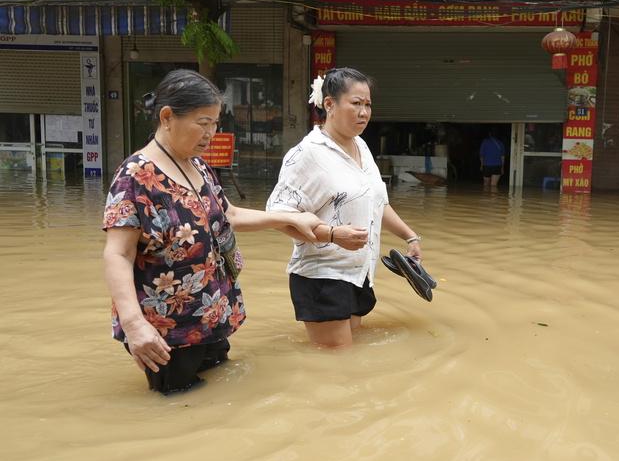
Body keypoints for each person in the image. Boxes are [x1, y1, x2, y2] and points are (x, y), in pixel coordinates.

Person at [102, 69, 333, 394]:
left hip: (211, 314)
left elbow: (229, 214)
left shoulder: (197, 165)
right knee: (176, 404)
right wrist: (134, 323)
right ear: (167, 117)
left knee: (217, 394)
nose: (211, 133)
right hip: (168, 331)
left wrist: (289, 220)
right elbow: (118, 253)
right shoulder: (134, 177)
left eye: (215, 123)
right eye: (202, 122)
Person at [266, 67, 424, 349]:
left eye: (368, 104)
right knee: (336, 367)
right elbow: (277, 216)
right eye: (356, 103)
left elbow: (377, 203)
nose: (364, 112)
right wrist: (332, 235)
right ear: (329, 104)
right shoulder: (306, 155)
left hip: (358, 273)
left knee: (348, 363)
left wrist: (410, 236)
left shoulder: (361, 147)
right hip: (322, 277)